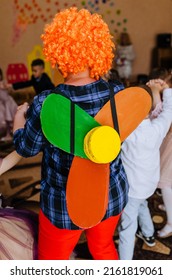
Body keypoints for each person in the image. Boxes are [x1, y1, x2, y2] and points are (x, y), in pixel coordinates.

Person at [12, 7, 130, 260]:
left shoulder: (47, 103)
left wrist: (18, 121)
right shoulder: (117, 93)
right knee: (103, 248)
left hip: (63, 206)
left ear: (57, 53)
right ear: (98, 49)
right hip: (111, 194)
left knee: (52, 261)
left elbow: (26, 148)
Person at [118, 79, 172, 260]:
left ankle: (124, 264)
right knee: (143, 204)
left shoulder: (126, 131)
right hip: (149, 184)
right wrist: (167, 90)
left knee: (127, 227)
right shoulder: (158, 128)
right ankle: (148, 233)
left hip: (132, 188)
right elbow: (168, 111)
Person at [0, 68, 18, 139]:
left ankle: (10, 133)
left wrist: (5, 87)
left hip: (8, 102)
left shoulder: (3, 82)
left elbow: (9, 90)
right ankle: (7, 134)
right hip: (2, 103)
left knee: (10, 119)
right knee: (5, 119)